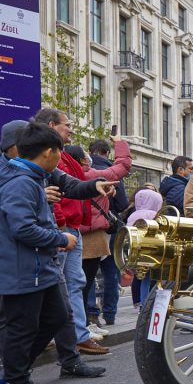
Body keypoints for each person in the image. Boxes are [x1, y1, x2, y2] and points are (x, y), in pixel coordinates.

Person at [0, 120, 108, 384]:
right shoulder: (6, 177)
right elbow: (13, 221)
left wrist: (95, 184)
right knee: (18, 324)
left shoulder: (35, 171)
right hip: (18, 259)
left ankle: (32, 370)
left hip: (43, 256)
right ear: (18, 147)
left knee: (58, 313)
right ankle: (16, 383)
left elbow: (71, 185)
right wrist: (54, 227)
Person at [33, 109, 109, 355]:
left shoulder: (59, 160)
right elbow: (4, 199)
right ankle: (45, 343)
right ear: (53, 125)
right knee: (53, 288)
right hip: (54, 233)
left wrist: (95, 186)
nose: (72, 130)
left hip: (65, 230)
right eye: (68, 125)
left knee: (72, 284)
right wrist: (60, 225)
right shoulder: (24, 164)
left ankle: (74, 343)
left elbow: (71, 186)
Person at [65, 141, 132, 331]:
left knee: (75, 282)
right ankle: (86, 323)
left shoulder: (60, 176)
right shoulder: (92, 175)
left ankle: (84, 320)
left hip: (68, 233)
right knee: (88, 280)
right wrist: (119, 142)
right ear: (81, 159)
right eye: (85, 156)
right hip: (93, 236)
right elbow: (123, 167)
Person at [86, 139, 128, 327]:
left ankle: (91, 313)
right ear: (106, 153)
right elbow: (122, 204)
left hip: (89, 228)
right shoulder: (111, 171)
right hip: (110, 228)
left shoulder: (84, 170)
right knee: (111, 272)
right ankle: (110, 313)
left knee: (87, 273)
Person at [127, 189, 164, 305]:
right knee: (151, 279)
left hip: (136, 250)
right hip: (150, 250)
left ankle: (142, 304)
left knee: (143, 278)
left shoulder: (133, 215)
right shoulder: (153, 214)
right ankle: (149, 304)